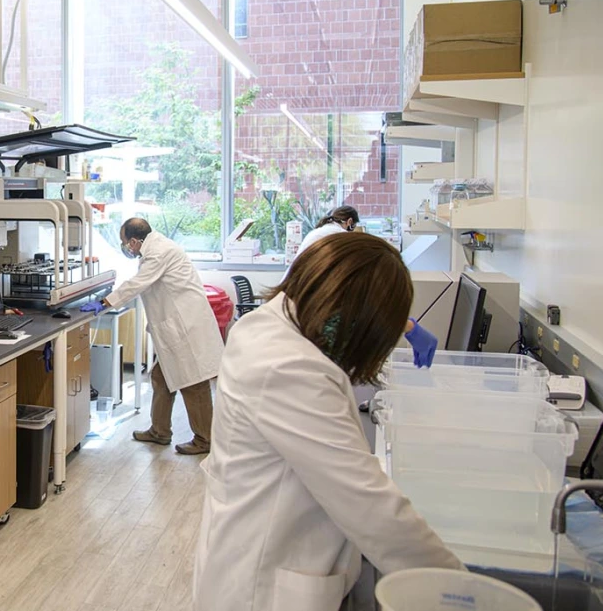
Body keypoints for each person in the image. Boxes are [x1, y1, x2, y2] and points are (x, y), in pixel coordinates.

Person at [193, 232, 462, 611]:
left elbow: (338, 303)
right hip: (266, 587)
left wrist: (401, 322)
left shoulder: (269, 322)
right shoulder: (289, 368)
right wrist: (460, 593)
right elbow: (367, 503)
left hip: (249, 547)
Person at [84, 218, 223, 455]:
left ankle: (204, 440)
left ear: (136, 241)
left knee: (193, 383)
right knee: (160, 377)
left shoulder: (159, 253)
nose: (125, 246)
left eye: (125, 242)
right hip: (179, 324)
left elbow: (139, 283)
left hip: (186, 327)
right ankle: (160, 431)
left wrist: (105, 301)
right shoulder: (155, 249)